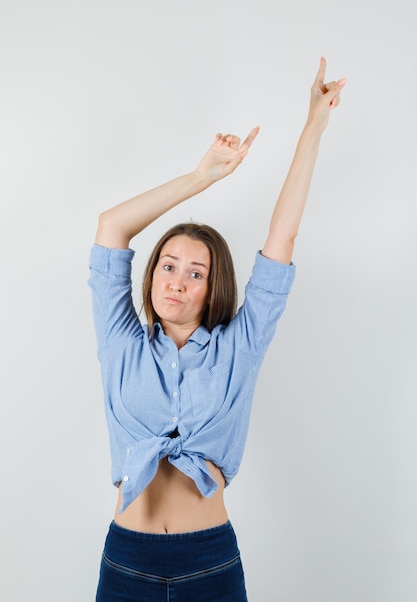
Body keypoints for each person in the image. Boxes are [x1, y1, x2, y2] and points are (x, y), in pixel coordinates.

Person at [88, 58, 345, 602]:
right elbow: (112, 227)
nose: (177, 281)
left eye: (195, 272)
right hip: (126, 559)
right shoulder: (121, 340)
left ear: (213, 288)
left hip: (209, 560)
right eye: (167, 265)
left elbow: (283, 237)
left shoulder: (240, 347)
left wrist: (313, 126)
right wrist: (202, 177)